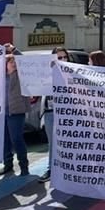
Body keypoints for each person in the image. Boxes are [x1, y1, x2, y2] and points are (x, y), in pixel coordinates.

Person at [38, 47, 71, 183]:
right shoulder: (46, 74)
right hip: (51, 113)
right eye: (59, 58)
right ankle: (51, 169)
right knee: (53, 143)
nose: (62, 60)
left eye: (64, 57)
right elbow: (26, 67)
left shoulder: (73, 72)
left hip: (69, 115)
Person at [1, 54, 30, 177]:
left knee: (16, 139)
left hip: (16, 112)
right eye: (10, 61)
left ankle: (24, 165)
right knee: (5, 140)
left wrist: (14, 50)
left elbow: (26, 60)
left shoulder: (21, 75)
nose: (13, 64)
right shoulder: (0, 77)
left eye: (15, 62)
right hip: (2, 113)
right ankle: (8, 164)